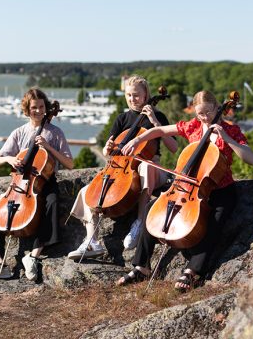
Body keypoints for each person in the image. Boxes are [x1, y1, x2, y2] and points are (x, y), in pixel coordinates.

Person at [116, 90, 253, 291]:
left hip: (221, 189)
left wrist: (226, 138)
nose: (205, 117)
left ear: (218, 108)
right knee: (151, 210)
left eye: (208, 112)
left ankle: (194, 271)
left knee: (213, 224)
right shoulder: (193, 127)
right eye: (200, 113)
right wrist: (137, 140)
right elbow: (160, 131)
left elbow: (251, 158)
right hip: (187, 187)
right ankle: (142, 267)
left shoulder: (231, 130)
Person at [66, 75, 178, 260]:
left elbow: (173, 148)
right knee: (89, 190)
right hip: (121, 168)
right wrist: (107, 148)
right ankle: (92, 240)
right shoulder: (122, 119)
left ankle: (140, 222)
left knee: (145, 167)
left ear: (145, 95)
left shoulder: (158, 116)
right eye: (128, 95)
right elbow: (108, 150)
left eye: (136, 95)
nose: (132, 99)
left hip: (153, 167)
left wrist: (155, 122)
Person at [0, 88, 73, 280]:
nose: (37, 111)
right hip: (19, 184)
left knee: (52, 205)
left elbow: (69, 164)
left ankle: (33, 256)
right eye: (33, 108)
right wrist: (10, 160)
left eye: (41, 107)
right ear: (26, 109)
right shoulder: (19, 132)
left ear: (47, 108)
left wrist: (48, 147)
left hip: (45, 182)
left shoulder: (55, 133)